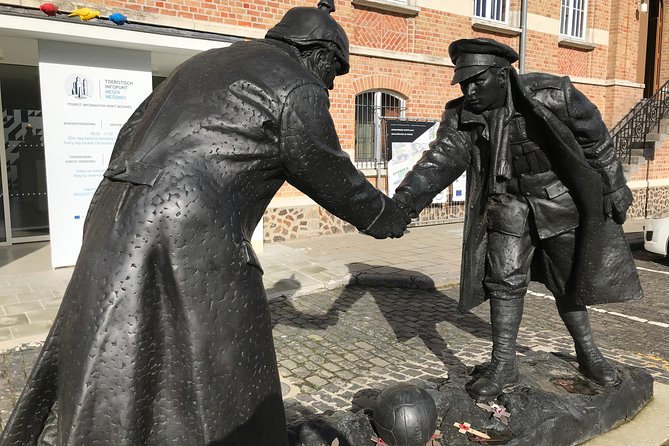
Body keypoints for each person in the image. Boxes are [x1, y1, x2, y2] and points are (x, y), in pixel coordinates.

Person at [0, 2, 410, 445]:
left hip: (115, 210)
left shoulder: (205, 61)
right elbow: (334, 177)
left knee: (118, 349)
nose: (330, 84)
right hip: (191, 227)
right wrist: (390, 217)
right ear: (320, 55)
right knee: (226, 362)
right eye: (335, 72)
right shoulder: (298, 86)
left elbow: (131, 130)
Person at [393, 38, 643, 402]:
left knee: (567, 282)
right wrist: (404, 202)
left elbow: (596, 139)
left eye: (477, 81)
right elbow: (440, 160)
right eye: (464, 83)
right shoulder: (463, 116)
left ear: (501, 75)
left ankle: (588, 354)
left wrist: (615, 185)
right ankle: (504, 364)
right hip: (507, 203)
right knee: (503, 280)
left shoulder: (552, 94)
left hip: (557, 199)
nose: (470, 90)